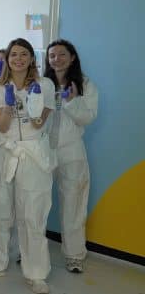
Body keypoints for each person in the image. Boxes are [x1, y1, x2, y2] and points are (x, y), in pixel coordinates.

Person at [0, 38, 56, 294]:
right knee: (0, 211)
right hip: (5, 152)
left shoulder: (45, 85)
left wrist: (33, 101)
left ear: (32, 59)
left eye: (24, 54)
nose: (19, 59)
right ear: (7, 59)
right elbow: (1, 126)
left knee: (32, 214)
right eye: (14, 54)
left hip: (33, 155)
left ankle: (36, 272)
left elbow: (37, 123)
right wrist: (10, 104)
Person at [45, 39, 98, 273]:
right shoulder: (42, 83)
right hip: (43, 149)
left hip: (71, 150)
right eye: (52, 55)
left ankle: (74, 255)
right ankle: (26, 249)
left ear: (72, 57)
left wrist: (71, 101)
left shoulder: (85, 84)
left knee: (73, 205)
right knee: (34, 202)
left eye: (61, 54)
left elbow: (88, 117)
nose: (57, 59)